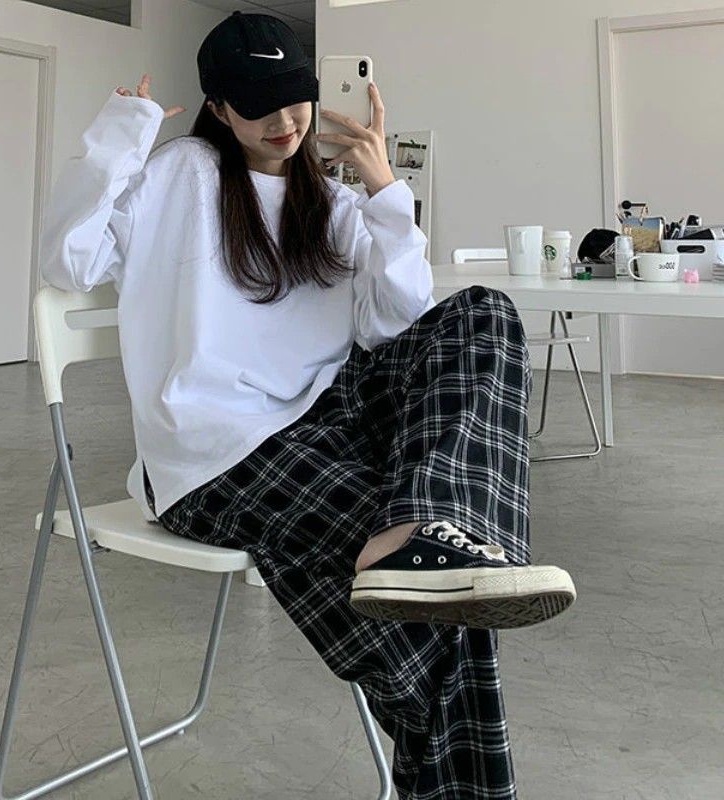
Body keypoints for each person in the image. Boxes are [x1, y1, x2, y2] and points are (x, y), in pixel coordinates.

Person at [40, 11, 577, 799]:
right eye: (258, 102)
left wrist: (386, 190)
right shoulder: (179, 172)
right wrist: (120, 137)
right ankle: (428, 555)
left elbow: (396, 322)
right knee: (448, 614)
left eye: (295, 95)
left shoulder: (330, 199)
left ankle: (422, 531)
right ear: (219, 107)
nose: (284, 119)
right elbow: (69, 259)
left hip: (331, 424)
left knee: (483, 312)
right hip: (219, 453)